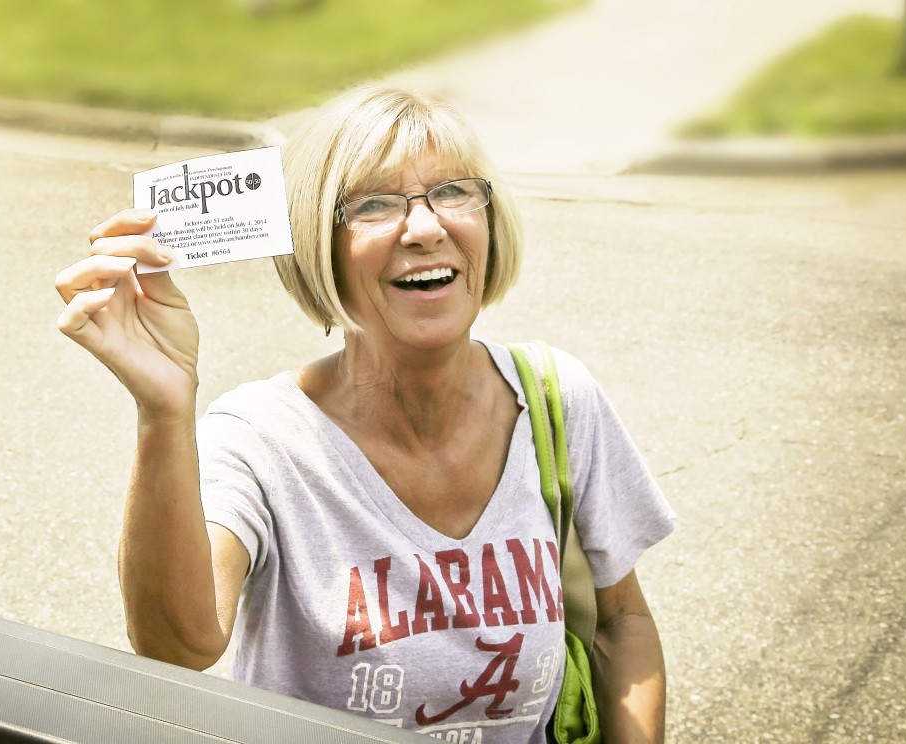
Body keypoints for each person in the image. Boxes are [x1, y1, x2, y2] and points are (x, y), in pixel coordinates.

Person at [55, 85, 676, 744]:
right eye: (376, 205)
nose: (427, 227)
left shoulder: (556, 399)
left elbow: (621, 624)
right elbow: (178, 646)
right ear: (319, 245)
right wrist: (163, 409)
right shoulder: (261, 439)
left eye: (455, 192)